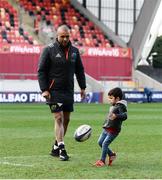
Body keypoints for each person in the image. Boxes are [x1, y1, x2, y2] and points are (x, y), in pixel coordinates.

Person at [37, 24, 86, 161]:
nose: (65, 39)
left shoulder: (75, 51)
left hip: (68, 91)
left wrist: (82, 87)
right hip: (53, 91)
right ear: (57, 36)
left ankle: (55, 146)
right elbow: (41, 70)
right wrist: (44, 90)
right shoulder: (48, 50)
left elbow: (80, 71)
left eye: (67, 36)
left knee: (67, 120)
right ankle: (62, 149)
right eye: (62, 36)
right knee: (58, 118)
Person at [93, 87, 127, 167]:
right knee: (100, 142)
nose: (109, 100)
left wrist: (116, 115)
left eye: (111, 98)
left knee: (105, 143)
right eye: (109, 98)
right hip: (107, 128)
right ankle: (111, 154)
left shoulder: (121, 106)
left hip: (113, 130)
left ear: (117, 98)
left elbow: (125, 116)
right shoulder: (114, 105)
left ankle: (102, 161)